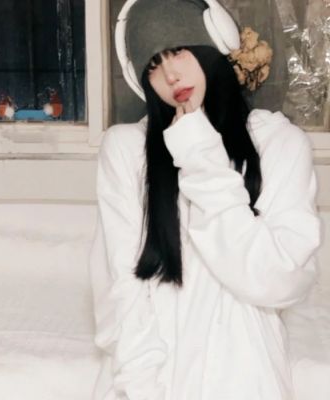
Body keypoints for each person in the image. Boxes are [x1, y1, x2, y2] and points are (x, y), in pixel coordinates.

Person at [88, 0, 322, 399]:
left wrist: (200, 157)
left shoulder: (278, 143)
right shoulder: (126, 149)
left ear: (214, 43)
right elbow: (121, 287)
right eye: (153, 64)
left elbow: (277, 279)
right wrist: (142, 387)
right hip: (146, 372)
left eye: (178, 50)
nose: (170, 75)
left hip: (244, 369)